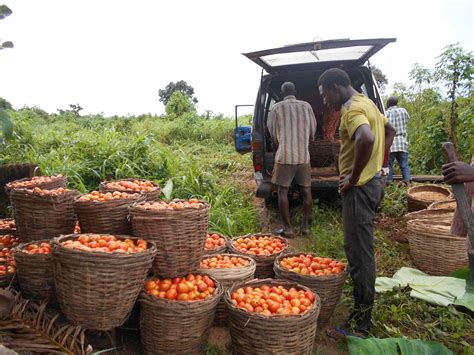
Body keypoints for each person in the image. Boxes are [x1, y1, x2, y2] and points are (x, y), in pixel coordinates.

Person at [318, 68, 396, 336]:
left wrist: (352, 178)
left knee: (360, 254)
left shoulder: (352, 110)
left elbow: (367, 138)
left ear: (336, 87)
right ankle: (361, 311)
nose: (325, 101)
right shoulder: (369, 104)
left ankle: (361, 323)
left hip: (360, 190)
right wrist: (380, 166)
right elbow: (390, 130)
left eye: (325, 95)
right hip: (373, 183)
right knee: (360, 249)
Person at [267, 81, 317, 237]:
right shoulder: (306, 106)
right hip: (303, 156)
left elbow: (273, 134)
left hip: (284, 157)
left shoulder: (276, 108)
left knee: (283, 191)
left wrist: (279, 143)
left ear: (282, 93)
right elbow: (313, 131)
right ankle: (305, 227)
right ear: (295, 90)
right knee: (306, 190)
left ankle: (288, 229)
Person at [385, 96, 411, 184]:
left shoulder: (386, 113)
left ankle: (389, 182)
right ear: (396, 102)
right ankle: (407, 181)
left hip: (391, 143)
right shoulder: (403, 111)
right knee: (404, 165)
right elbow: (407, 120)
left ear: (388, 103)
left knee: (389, 165)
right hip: (402, 142)